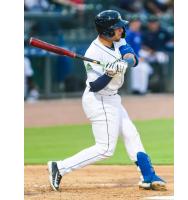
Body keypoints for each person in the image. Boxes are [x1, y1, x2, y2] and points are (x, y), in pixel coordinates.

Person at [47, 10, 166, 192]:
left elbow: (132, 57)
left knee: (131, 133)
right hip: (98, 100)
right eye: (118, 28)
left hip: (113, 98)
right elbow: (95, 86)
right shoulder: (93, 52)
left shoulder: (118, 40)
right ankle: (60, 167)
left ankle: (148, 176)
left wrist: (123, 63)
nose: (122, 30)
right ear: (108, 31)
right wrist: (109, 74)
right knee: (105, 149)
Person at [126, 16, 153, 95]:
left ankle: (141, 90)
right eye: (135, 22)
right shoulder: (127, 34)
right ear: (131, 23)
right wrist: (136, 57)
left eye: (138, 22)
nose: (137, 24)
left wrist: (145, 50)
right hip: (129, 57)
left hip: (138, 56)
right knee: (140, 68)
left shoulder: (138, 33)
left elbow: (138, 47)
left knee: (145, 68)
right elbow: (126, 48)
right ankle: (136, 89)